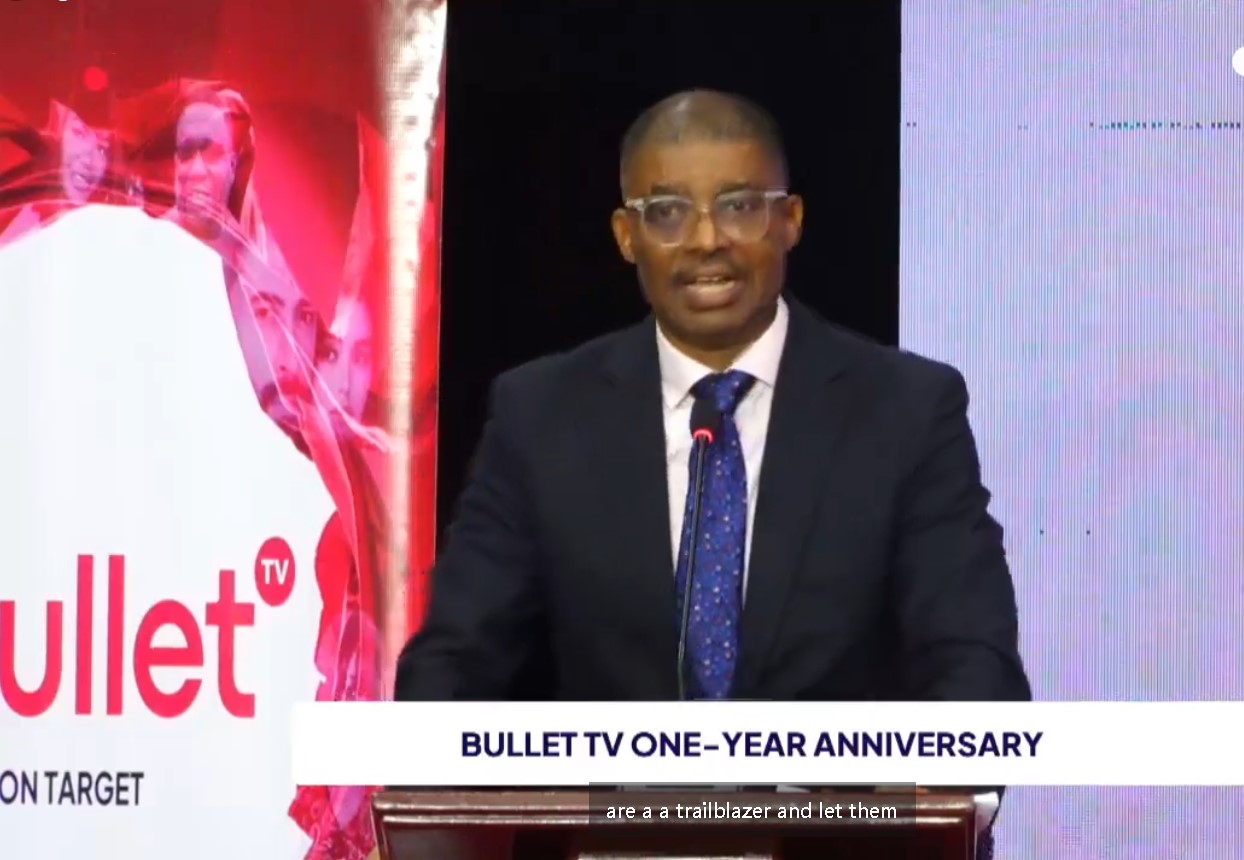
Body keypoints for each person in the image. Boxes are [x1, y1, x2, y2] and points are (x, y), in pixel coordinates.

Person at [395, 88, 1029, 706]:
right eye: (668, 212)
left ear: (791, 221)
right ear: (626, 235)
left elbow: (974, 665)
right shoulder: (540, 416)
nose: (705, 240)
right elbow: (453, 664)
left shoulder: (906, 410)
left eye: (739, 206)